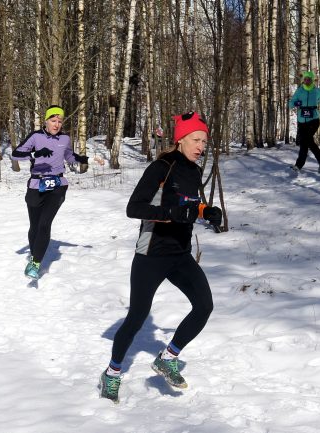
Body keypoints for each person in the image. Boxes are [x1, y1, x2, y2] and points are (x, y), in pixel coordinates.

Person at [99, 111, 223, 403]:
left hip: (180, 254)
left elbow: (191, 204)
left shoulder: (193, 170)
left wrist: (207, 212)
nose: (201, 146)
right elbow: (134, 208)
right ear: (180, 139)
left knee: (204, 306)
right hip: (151, 254)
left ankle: (168, 358)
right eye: (195, 139)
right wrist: (169, 215)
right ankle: (112, 373)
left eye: (204, 141)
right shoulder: (161, 168)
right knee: (137, 318)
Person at [11, 105, 89, 280]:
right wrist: (35, 153)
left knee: (45, 224)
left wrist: (82, 159)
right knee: (35, 226)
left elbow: (68, 156)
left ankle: (36, 264)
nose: (57, 124)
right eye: (53, 121)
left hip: (58, 184)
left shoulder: (65, 138)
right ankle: (34, 255)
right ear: (46, 121)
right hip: (36, 184)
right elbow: (16, 154)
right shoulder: (36, 136)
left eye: (60, 121)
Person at [288, 70, 320, 173]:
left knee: (306, 140)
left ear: (312, 80)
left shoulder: (317, 91)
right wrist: (296, 103)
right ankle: (318, 161)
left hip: (314, 120)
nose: (307, 81)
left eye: (309, 79)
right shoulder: (299, 91)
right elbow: (290, 104)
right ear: (303, 80)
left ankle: (301, 165)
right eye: (305, 79)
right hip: (302, 121)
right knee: (305, 142)